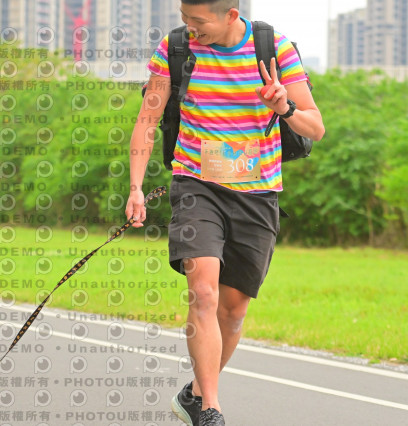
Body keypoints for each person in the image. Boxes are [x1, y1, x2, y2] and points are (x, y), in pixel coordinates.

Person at [125, 1, 325, 425]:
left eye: (198, 21)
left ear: (231, 15)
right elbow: (147, 118)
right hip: (196, 186)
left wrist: (284, 107)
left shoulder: (274, 48)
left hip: (257, 194)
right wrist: (136, 188)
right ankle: (211, 408)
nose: (189, 28)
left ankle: (196, 393)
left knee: (233, 312)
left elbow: (315, 127)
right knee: (203, 293)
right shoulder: (176, 48)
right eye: (185, 18)